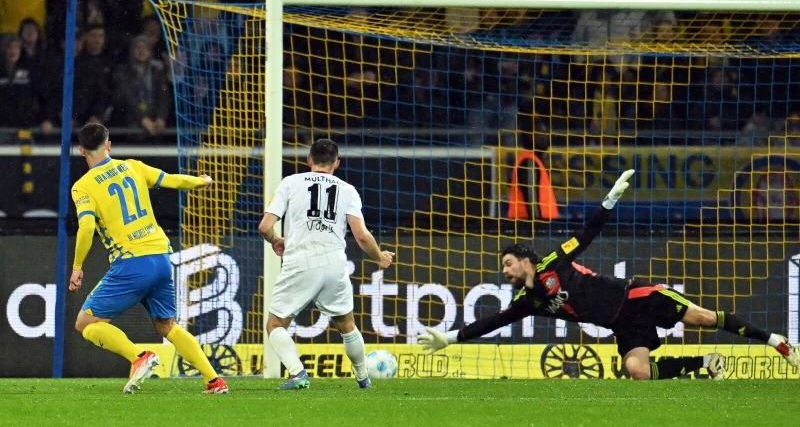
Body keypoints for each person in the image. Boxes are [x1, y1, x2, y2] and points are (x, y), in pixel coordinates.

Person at [419, 170, 800, 380]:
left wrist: (610, 199)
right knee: (637, 370)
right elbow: (492, 321)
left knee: (702, 317)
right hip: (622, 324)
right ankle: (704, 364)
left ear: (525, 261)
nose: (504, 272)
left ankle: (774, 340)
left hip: (637, 297)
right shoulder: (527, 302)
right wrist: (450, 337)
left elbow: (586, 234)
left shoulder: (555, 261)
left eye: (507, 264)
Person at [68, 123, 228, 394]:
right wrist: (201, 181)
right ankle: (214, 380)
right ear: (109, 144)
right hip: (162, 258)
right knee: (167, 325)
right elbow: (173, 180)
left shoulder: (82, 187)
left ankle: (139, 356)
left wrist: (77, 267)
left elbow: (85, 228)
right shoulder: (133, 166)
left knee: (85, 323)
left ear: (81, 150)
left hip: (132, 262)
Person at [258, 139, 394, 389]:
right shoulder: (348, 190)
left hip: (300, 261)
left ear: (309, 160)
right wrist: (378, 257)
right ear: (337, 164)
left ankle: (298, 373)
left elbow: (265, 226)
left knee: (276, 324)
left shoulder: (291, 182)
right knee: (346, 324)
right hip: (334, 263)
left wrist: (276, 240)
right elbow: (361, 235)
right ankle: (364, 378)